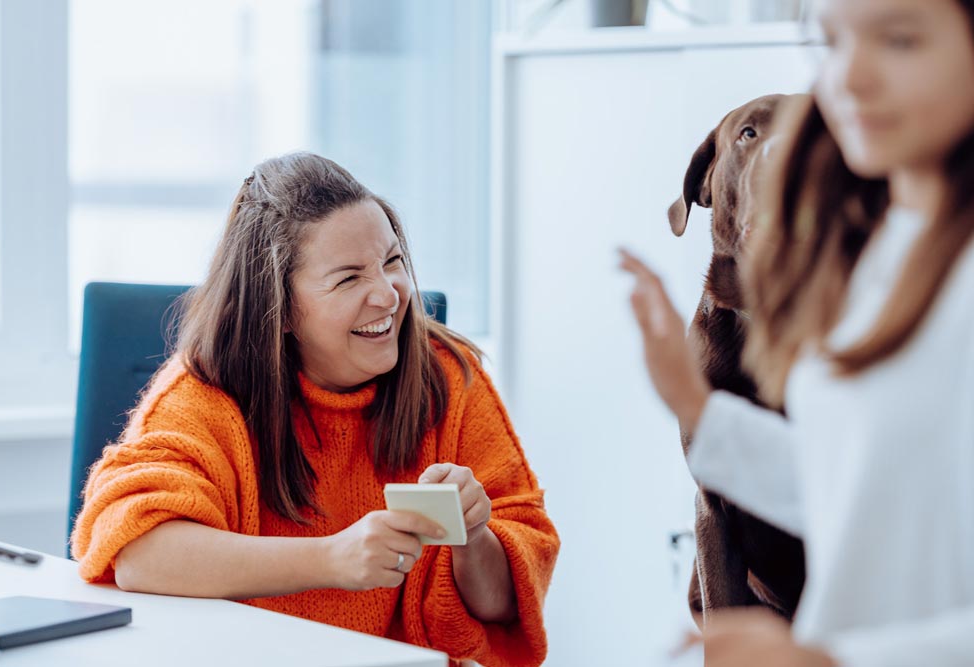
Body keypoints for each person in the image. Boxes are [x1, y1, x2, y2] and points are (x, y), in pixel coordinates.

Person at [72, 152, 559, 667]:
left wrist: (475, 537)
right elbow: (139, 553)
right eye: (349, 279)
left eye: (392, 262)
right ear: (278, 309)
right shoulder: (204, 393)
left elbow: (509, 601)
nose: (388, 296)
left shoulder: (449, 378)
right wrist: (334, 557)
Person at [619, 0, 974, 665]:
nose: (848, 78)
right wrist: (695, 406)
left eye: (898, 39)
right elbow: (858, 486)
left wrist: (829, 659)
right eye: (832, 40)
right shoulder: (890, 253)